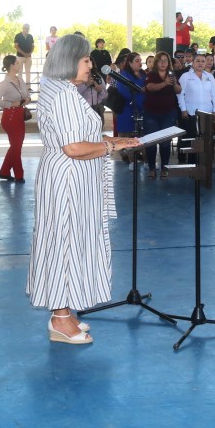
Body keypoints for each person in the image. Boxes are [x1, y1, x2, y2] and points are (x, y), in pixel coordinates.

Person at [26, 34, 139, 344]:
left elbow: (77, 138)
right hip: (68, 181)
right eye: (87, 60)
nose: (92, 65)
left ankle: (63, 311)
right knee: (64, 242)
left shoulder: (60, 89)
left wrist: (115, 142)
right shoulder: (62, 95)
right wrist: (108, 146)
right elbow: (74, 147)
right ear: (69, 61)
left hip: (69, 178)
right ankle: (60, 320)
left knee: (67, 241)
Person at [0, 54, 30, 182]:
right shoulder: (5, 83)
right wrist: (10, 104)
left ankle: (4, 171)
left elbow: (26, 94)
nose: (19, 65)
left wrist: (27, 99)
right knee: (16, 146)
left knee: (16, 145)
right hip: (10, 117)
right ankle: (19, 175)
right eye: (17, 63)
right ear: (12, 66)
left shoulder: (20, 79)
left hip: (19, 116)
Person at [143, 51, 180, 179]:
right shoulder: (151, 75)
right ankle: (152, 168)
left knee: (165, 141)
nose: (163, 62)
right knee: (151, 141)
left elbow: (179, 90)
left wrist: (174, 83)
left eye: (166, 60)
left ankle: (165, 167)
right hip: (151, 113)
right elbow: (150, 87)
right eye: (160, 60)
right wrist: (165, 83)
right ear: (156, 62)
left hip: (168, 113)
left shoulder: (172, 75)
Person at [177, 52, 215, 164]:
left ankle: (202, 163)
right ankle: (186, 162)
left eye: (203, 61)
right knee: (189, 138)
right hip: (190, 112)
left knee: (204, 139)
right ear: (193, 63)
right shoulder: (185, 76)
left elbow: (214, 94)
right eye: (198, 61)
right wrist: (183, 109)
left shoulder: (210, 77)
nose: (200, 63)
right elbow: (180, 94)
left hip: (207, 113)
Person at [113, 52, 146, 139]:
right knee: (127, 144)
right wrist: (140, 91)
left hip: (142, 112)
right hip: (127, 112)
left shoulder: (143, 75)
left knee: (143, 142)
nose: (140, 63)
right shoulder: (124, 76)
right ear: (130, 63)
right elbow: (124, 93)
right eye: (137, 61)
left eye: (140, 60)